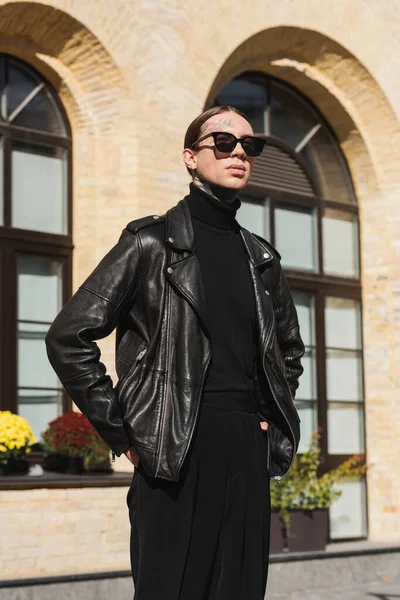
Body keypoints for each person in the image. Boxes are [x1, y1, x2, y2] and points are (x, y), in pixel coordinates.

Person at [45, 105, 304, 600]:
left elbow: (288, 349)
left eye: (250, 146)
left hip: (245, 447)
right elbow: (68, 335)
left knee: (240, 588)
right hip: (171, 447)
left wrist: (270, 413)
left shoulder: (261, 257)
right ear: (191, 157)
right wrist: (122, 430)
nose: (239, 154)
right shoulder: (150, 244)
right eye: (224, 143)